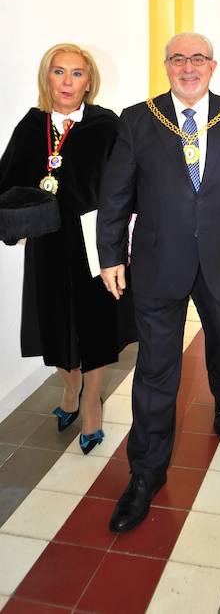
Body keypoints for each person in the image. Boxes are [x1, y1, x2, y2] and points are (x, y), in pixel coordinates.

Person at [97, 32, 220, 532]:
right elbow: (116, 193)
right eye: (178, 59)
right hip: (158, 261)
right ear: (166, 66)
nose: (188, 66)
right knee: (156, 369)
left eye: (197, 58)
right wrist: (110, 253)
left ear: (213, 66)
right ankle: (145, 473)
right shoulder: (139, 118)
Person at [0, 43, 135, 455]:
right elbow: (7, 182)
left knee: (96, 325)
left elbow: (125, 181)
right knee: (54, 323)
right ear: (47, 77)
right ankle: (71, 384)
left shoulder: (105, 125)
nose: (67, 82)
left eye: (77, 73)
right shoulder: (30, 125)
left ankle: (91, 403)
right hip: (48, 245)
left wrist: (125, 231)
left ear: (89, 81)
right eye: (59, 72)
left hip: (94, 243)